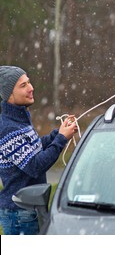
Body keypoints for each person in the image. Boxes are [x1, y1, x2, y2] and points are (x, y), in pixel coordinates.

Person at [0, 65, 78, 235]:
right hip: (19, 213)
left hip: (30, 208)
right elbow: (34, 166)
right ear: (9, 96)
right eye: (23, 85)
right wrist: (61, 139)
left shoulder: (19, 119)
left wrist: (58, 133)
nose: (31, 88)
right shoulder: (8, 128)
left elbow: (34, 147)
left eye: (29, 82)